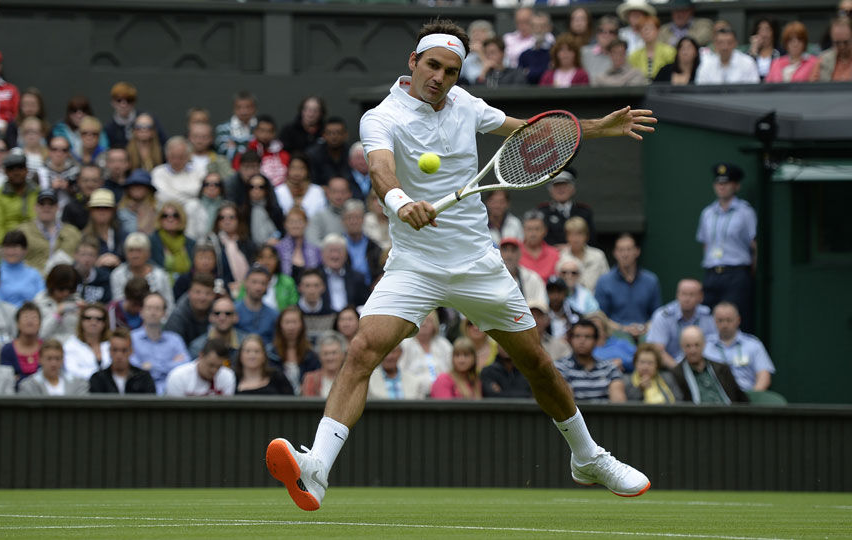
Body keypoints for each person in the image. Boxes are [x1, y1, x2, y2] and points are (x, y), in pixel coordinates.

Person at [265, 19, 656, 511]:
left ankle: (588, 457)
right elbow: (383, 171)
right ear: (413, 62)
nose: (440, 77)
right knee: (363, 349)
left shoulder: (467, 104)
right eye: (433, 65)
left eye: (451, 70)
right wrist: (403, 201)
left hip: (476, 262)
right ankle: (316, 468)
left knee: (535, 362)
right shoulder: (380, 118)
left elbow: (528, 135)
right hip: (415, 262)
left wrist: (599, 128)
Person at [696, 163, 756, 332]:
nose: (721, 186)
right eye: (718, 183)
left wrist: (746, 274)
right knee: (707, 319)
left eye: (726, 182)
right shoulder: (707, 213)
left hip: (736, 274)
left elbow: (754, 246)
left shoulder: (745, 212)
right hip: (712, 273)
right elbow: (705, 244)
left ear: (736, 185)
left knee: (735, 320)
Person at [594, 234, 660, 341]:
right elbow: (601, 317)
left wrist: (643, 328)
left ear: (637, 251)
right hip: (615, 335)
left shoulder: (651, 280)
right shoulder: (604, 281)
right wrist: (623, 329)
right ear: (615, 253)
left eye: (629, 249)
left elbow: (657, 315)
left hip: (645, 334)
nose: (625, 254)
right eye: (621, 250)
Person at [646, 279, 717, 369]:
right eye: (683, 294)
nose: (687, 299)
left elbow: (716, 345)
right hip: (672, 369)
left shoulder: (708, 316)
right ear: (677, 295)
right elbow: (657, 350)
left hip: (703, 368)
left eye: (691, 295)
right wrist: (680, 371)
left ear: (700, 297)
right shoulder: (663, 316)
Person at [706, 302, 775, 393]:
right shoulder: (704, 346)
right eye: (720, 320)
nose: (725, 325)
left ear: (738, 320)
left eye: (729, 320)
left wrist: (752, 398)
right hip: (714, 399)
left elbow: (764, 377)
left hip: (746, 398)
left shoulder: (753, 345)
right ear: (714, 321)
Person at [130, 292, 189, 395]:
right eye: (149, 308)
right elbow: (132, 368)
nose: (153, 312)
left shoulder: (175, 340)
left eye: (157, 308)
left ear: (164, 313)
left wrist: (151, 367)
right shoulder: (131, 338)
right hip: (139, 394)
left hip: (171, 395)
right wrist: (170, 365)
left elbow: (186, 365)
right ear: (141, 312)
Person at [670, 326, 746, 404]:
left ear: (704, 345)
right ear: (682, 347)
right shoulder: (677, 374)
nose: (693, 350)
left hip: (727, 412)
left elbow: (741, 398)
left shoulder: (722, 369)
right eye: (688, 346)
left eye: (697, 345)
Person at [554, 320, 626, 403]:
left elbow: (619, 404)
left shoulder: (609, 368)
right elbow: (565, 404)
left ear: (596, 341)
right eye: (577, 336)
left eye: (587, 337)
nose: (582, 341)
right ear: (570, 340)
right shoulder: (560, 367)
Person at [0, 151, 38, 247]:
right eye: (11, 169)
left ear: (27, 170)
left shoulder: (38, 192)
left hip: (37, 243)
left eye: (20, 168)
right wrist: (13, 248)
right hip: (7, 247)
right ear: (5, 172)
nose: (16, 172)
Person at [19, 189, 81, 271]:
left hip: (64, 279)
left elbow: (81, 256)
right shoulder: (22, 231)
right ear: (36, 207)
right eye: (42, 204)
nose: (46, 207)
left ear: (58, 207)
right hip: (32, 280)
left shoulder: (72, 232)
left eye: (51, 204)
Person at [110, 232, 174, 312]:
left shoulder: (161, 276)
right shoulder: (117, 274)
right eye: (131, 250)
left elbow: (169, 305)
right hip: (126, 319)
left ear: (148, 253)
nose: (135, 255)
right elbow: (118, 304)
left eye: (139, 251)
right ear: (125, 253)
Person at [267, 306, 319, 394]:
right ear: (280, 325)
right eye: (287, 322)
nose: (291, 327)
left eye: (294, 322)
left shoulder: (311, 354)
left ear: (301, 325)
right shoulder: (271, 353)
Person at [537, 168, 595, 247]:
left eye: (564, 185)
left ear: (573, 189)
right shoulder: (542, 212)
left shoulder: (584, 212)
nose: (561, 189)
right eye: (556, 185)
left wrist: (571, 248)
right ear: (550, 191)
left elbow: (591, 238)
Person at [89, 327, 155, 394]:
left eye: (124, 350)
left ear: (131, 351)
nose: (119, 355)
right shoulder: (98, 379)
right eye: (115, 350)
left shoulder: (143, 378)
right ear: (109, 351)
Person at [104, 82, 167, 151]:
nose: (123, 104)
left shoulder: (148, 120)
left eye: (129, 100)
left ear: (134, 102)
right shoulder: (109, 128)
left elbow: (163, 143)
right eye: (119, 100)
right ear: (112, 102)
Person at [165, 338, 236, 397]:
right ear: (201, 356)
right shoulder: (178, 376)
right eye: (211, 365)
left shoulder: (228, 376)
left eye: (219, 366)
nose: (214, 370)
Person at [17, 339, 89, 396]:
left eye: (57, 359)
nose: (53, 363)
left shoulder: (78, 384)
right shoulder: (28, 385)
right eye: (49, 359)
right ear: (40, 359)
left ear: (63, 360)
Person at [209, 202, 254, 294]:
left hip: (247, 290)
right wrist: (228, 286)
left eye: (231, 217)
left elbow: (254, 267)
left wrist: (243, 285)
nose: (227, 221)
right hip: (223, 292)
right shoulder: (212, 244)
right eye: (222, 218)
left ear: (238, 220)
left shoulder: (247, 243)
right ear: (217, 221)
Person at [236, 245, 297, 312]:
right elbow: (239, 304)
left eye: (270, 257)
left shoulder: (287, 282)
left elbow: (293, 307)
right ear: (256, 260)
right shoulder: (249, 280)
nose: (266, 262)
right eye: (262, 257)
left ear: (277, 260)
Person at [399, 310, 452, 385]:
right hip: (414, 391)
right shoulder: (405, 344)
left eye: (428, 321)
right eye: (421, 320)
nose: (424, 324)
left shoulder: (443, 344)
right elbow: (400, 369)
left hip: (442, 390)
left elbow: (452, 370)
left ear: (435, 324)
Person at [165, 273, 217, 348]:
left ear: (214, 295)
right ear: (189, 293)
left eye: (208, 293)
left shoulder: (219, 312)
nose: (202, 298)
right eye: (198, 292)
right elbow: (172, 347)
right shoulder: (178, 316)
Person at [319, 234, 369, 312]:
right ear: (322, 254)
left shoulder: (358, 277)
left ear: (346, 255)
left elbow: (364, 305)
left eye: (339, 251)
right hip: (324, 319)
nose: (335, 255)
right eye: (331, 251)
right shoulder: (315, 277)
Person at [0, 231, 44, 308]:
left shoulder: (34, 274)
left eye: (15, 247)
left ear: (25, 250)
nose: (10, 252)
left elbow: (42, 299)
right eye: (7, 247)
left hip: (31, 316)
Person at [152, 137, 204, 210]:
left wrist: (174, 191)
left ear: (188, 156)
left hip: (191, 211)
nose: (176, 161)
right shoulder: (158, 172)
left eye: (180, 157)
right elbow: (164, 196)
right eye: (173, 157)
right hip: (166, 211)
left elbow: (197, 191)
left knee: (193, 205)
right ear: (167, 156)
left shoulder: (198, 171)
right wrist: (190, 197)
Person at [35, 264, 83, 343]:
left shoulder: (77, 302)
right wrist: (57, 315)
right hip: (47, 347)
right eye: (61, 288)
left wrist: (85, 315)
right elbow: (40, 335)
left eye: (70, 288)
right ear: (52, 284)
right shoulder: (38, 302)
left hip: (73, 348)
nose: (66, 292)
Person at [188, 295, 246, 360]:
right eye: (217, 313)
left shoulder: (246, 344)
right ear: (210, 317)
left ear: (236, 317)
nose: (222, 318)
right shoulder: (198, 347)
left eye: (228, 313)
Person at [341, 199, 383, 287]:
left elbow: (380, 272)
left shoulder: (374, 247)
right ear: (343, 221)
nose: (353, 222)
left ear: (363, 219)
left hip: (369, 290)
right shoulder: (338, 246)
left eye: (357, 217)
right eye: (349, 218)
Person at [695, 28, 760, 85]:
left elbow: (754, 88)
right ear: (715, 44)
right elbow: (700, 88)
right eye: (721, 43)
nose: (725, 47)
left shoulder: (748, 62)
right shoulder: (706, 64)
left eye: (729, 42)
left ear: (735, 43)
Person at [150, 200, 195, 280]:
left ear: (181, 218)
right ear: (160, 219)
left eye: (175, 215)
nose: (170, 219)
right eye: (165, 216)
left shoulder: (191, 243)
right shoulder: (151, 241)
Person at [367, 345, 431, 400]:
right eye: (385, 353)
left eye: (393, 352)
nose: (389, 357)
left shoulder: (415, 382)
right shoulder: (368, 381)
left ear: (400, 353)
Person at [235, 265, 280, 342]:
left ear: (268, 286)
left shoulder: (274, 315)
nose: (258, 287)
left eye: (263, 283)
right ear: (245, 283)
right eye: (254, 282)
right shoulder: (232, 311)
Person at [276, 207, 321, 282]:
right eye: (291, 222)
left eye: (299, 221)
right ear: (285, 224)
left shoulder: (316, 251)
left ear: (306, 223)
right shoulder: (277, 249)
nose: (295, 225)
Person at [0, 301, 42, 381]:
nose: (30, 322)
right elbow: (6, 379)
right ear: (17, 323)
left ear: (40, 323)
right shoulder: (7, 350)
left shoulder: (46, 348)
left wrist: (19, 377)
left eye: (34, 318)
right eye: (26, 317)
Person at [275, 153, 327, 218]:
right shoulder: (278, 191)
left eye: (301, 168)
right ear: (287, 170)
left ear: (308, 171)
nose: (296, 173)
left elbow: (322, 217)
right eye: (293, 168)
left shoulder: (318, 191)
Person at [241, 173, 284, 248]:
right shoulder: (243, 211)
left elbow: (282, 231)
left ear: (266, 189)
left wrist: (277, 239)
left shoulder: (275, 210)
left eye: (261, 187)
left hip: (274, 250)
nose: (256, 190)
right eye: (252, 187)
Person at [305, 177, 350, 246]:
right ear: (327, 194)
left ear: (349, 194)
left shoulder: (355, 216)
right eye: (334, 192)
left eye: (343, 192)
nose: (339, 196)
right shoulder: (318, 217)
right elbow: (312, 242)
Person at [628, 15, 675, 81]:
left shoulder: (670, 51)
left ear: (658, 30)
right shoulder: (634, 55)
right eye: (643, 28)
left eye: (650, 28)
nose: (646, 31)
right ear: (639, 32)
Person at [300, 330, 345, 398]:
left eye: (334, 353)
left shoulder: (351, 379)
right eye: (325, 353)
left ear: (342, 355)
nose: (330, 358)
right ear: (319, 356)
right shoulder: (310, 379)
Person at [215, 91, 257, 162]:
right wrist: (249, 148)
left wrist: (234, 147)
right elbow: (223, 152)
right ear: (234, 109)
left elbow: (261, 152)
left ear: (254, 108)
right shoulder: (222, 129)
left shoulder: (261, 127)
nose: (243, 111)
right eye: (239, 107)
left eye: (248, 107)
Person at [519, 210, 559, 282]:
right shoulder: (516, 253)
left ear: (545, 231)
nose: (533, 234)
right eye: (529, 229)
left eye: (537, 229)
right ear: (523, 230)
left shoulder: (555, 254)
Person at [116, 168, 158, 237]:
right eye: (133, 185)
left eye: (141, 185)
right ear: (128, 189)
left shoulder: (157, 210)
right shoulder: (120, 211)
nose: (137, 188)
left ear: (148, 189)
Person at [297, 268, 336, 340]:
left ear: (323, 287)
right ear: (300, 288)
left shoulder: (332, 315)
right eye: (307, 286)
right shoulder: (293, 315)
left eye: (316, 285)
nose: (312, 290)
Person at [73, 236, 112, 304]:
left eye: (91, 255)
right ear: (75, 255)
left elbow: (107, 303)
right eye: (83, 254)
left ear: (97, 257)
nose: (87, 259)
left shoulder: (104, 278)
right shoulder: (68, 275)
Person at [582, 16, 620, 81]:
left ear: (617, 36)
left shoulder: (622, 56)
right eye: (602, 31)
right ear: (596, 34)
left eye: (611, 32)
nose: (606, 35)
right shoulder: (584, 53)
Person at [815, 17, 852, 82]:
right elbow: (812, 87)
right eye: (837, 43)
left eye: (846, 42)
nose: (842, 46)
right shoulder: (823, 60)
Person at [460, 20, 495, 85]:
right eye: (474, 32)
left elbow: (497, 73)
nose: (477, 35)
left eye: (482, 31)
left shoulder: (498, 53)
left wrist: (481, 53)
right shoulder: (467, 57)